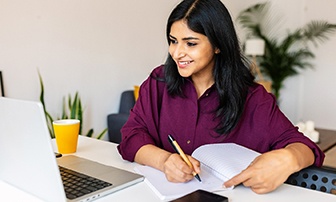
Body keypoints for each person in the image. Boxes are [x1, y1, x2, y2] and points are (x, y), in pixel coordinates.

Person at [117, 0, 324, 194]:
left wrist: (289, 159)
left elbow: (305, 147)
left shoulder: (253, 98)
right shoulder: (158, 82)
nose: (177, 53)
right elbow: (131, 137)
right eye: (173, 41)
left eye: (190, 43)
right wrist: (164, 161)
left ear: (218, 45)